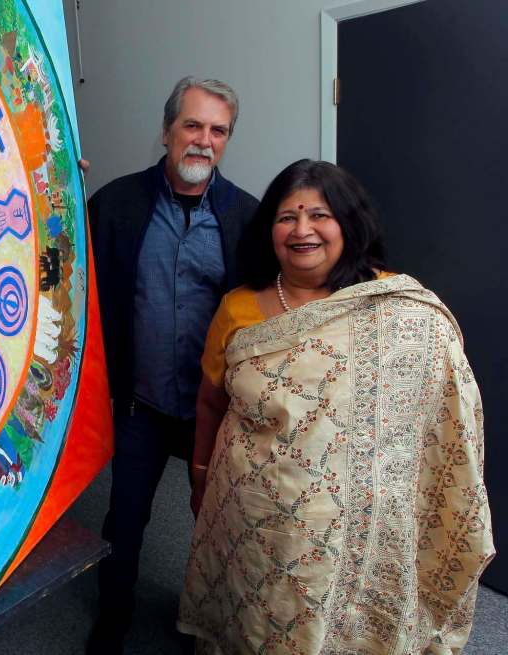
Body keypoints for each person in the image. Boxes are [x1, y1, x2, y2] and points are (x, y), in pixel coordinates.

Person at [179, 159, 494, 654]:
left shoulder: (398, 307)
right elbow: (211, 399)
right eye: (287, 217)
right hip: (254, 514)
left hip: (361, 530)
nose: (301, 230)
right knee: (256, 619)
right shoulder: (238, 306)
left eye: (319, 215)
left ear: (348, 223)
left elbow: (444, 411)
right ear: (269, 230)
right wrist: (199, 476)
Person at [86, 76, 258, 653]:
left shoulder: (248, 219)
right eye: (192, 125)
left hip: (215, 410)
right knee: (125, 519)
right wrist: (55, 188)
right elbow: (68, 268)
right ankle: (112, 619)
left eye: (218, 130)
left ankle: (209, 626)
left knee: (221, 523)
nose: (204, 140)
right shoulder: (115, 205)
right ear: (166, 131)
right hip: (142, 404)